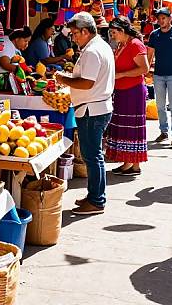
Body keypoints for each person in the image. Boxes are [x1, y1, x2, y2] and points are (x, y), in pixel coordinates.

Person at [55, 12, 115, 215]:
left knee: (92, 156)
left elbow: (87, 82)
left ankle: (97, 200)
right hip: (96, 107)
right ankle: (94, 196)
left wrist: (63, 79)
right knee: (93, 155)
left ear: (85, 31)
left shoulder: (92, 51)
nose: (73, 38)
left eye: (75, 33)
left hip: (92, 109)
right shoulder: (99, 46)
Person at [107, 17, 149, 176]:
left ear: (122, 31)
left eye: (114, 32)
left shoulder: (135, 44)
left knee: (131, 128)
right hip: (123, 92)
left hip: (133, 92)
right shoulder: (121, 44)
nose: (112, 35)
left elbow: (144, 69)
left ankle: (130, 164)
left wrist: (122, 75)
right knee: (127, 128)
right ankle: (132, 164)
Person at [147, 7, 172, 148]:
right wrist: (146, 70)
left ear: (170, 18)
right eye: (159, 18)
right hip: (158, 75)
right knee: (160, 106)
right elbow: (150, 54)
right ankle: (164, 131)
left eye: (164, 17)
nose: (161, 20)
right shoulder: (154, 35)